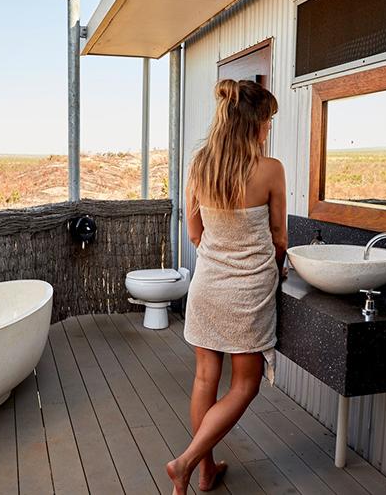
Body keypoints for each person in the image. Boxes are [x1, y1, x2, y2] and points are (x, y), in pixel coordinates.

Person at [166, 79, 287, 494]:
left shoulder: (200, 165)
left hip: (207, 285)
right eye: (267, 120)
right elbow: (279, 238)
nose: (268, 128)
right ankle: (185, 463)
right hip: (248, 293)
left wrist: (220, 253)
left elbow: (195, 232)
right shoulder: (270, 169)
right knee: (246, 385)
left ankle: (205, 471)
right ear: (253, 122)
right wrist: (277, 268)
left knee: (204, 380)